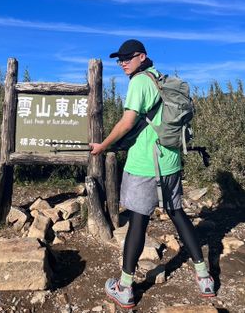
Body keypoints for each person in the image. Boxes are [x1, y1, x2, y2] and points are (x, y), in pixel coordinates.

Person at [90, 39, 215, 309]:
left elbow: (127, 122)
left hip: (145, 164)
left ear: (142, 57)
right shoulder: (161, 79)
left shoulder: (139, 82)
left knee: (138, 222)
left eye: (127, 58)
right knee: (178, 213)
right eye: (119, 59)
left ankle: (124, 287)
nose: (122, 62)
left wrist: (103, 145)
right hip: (170, 160)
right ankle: (204, 277)